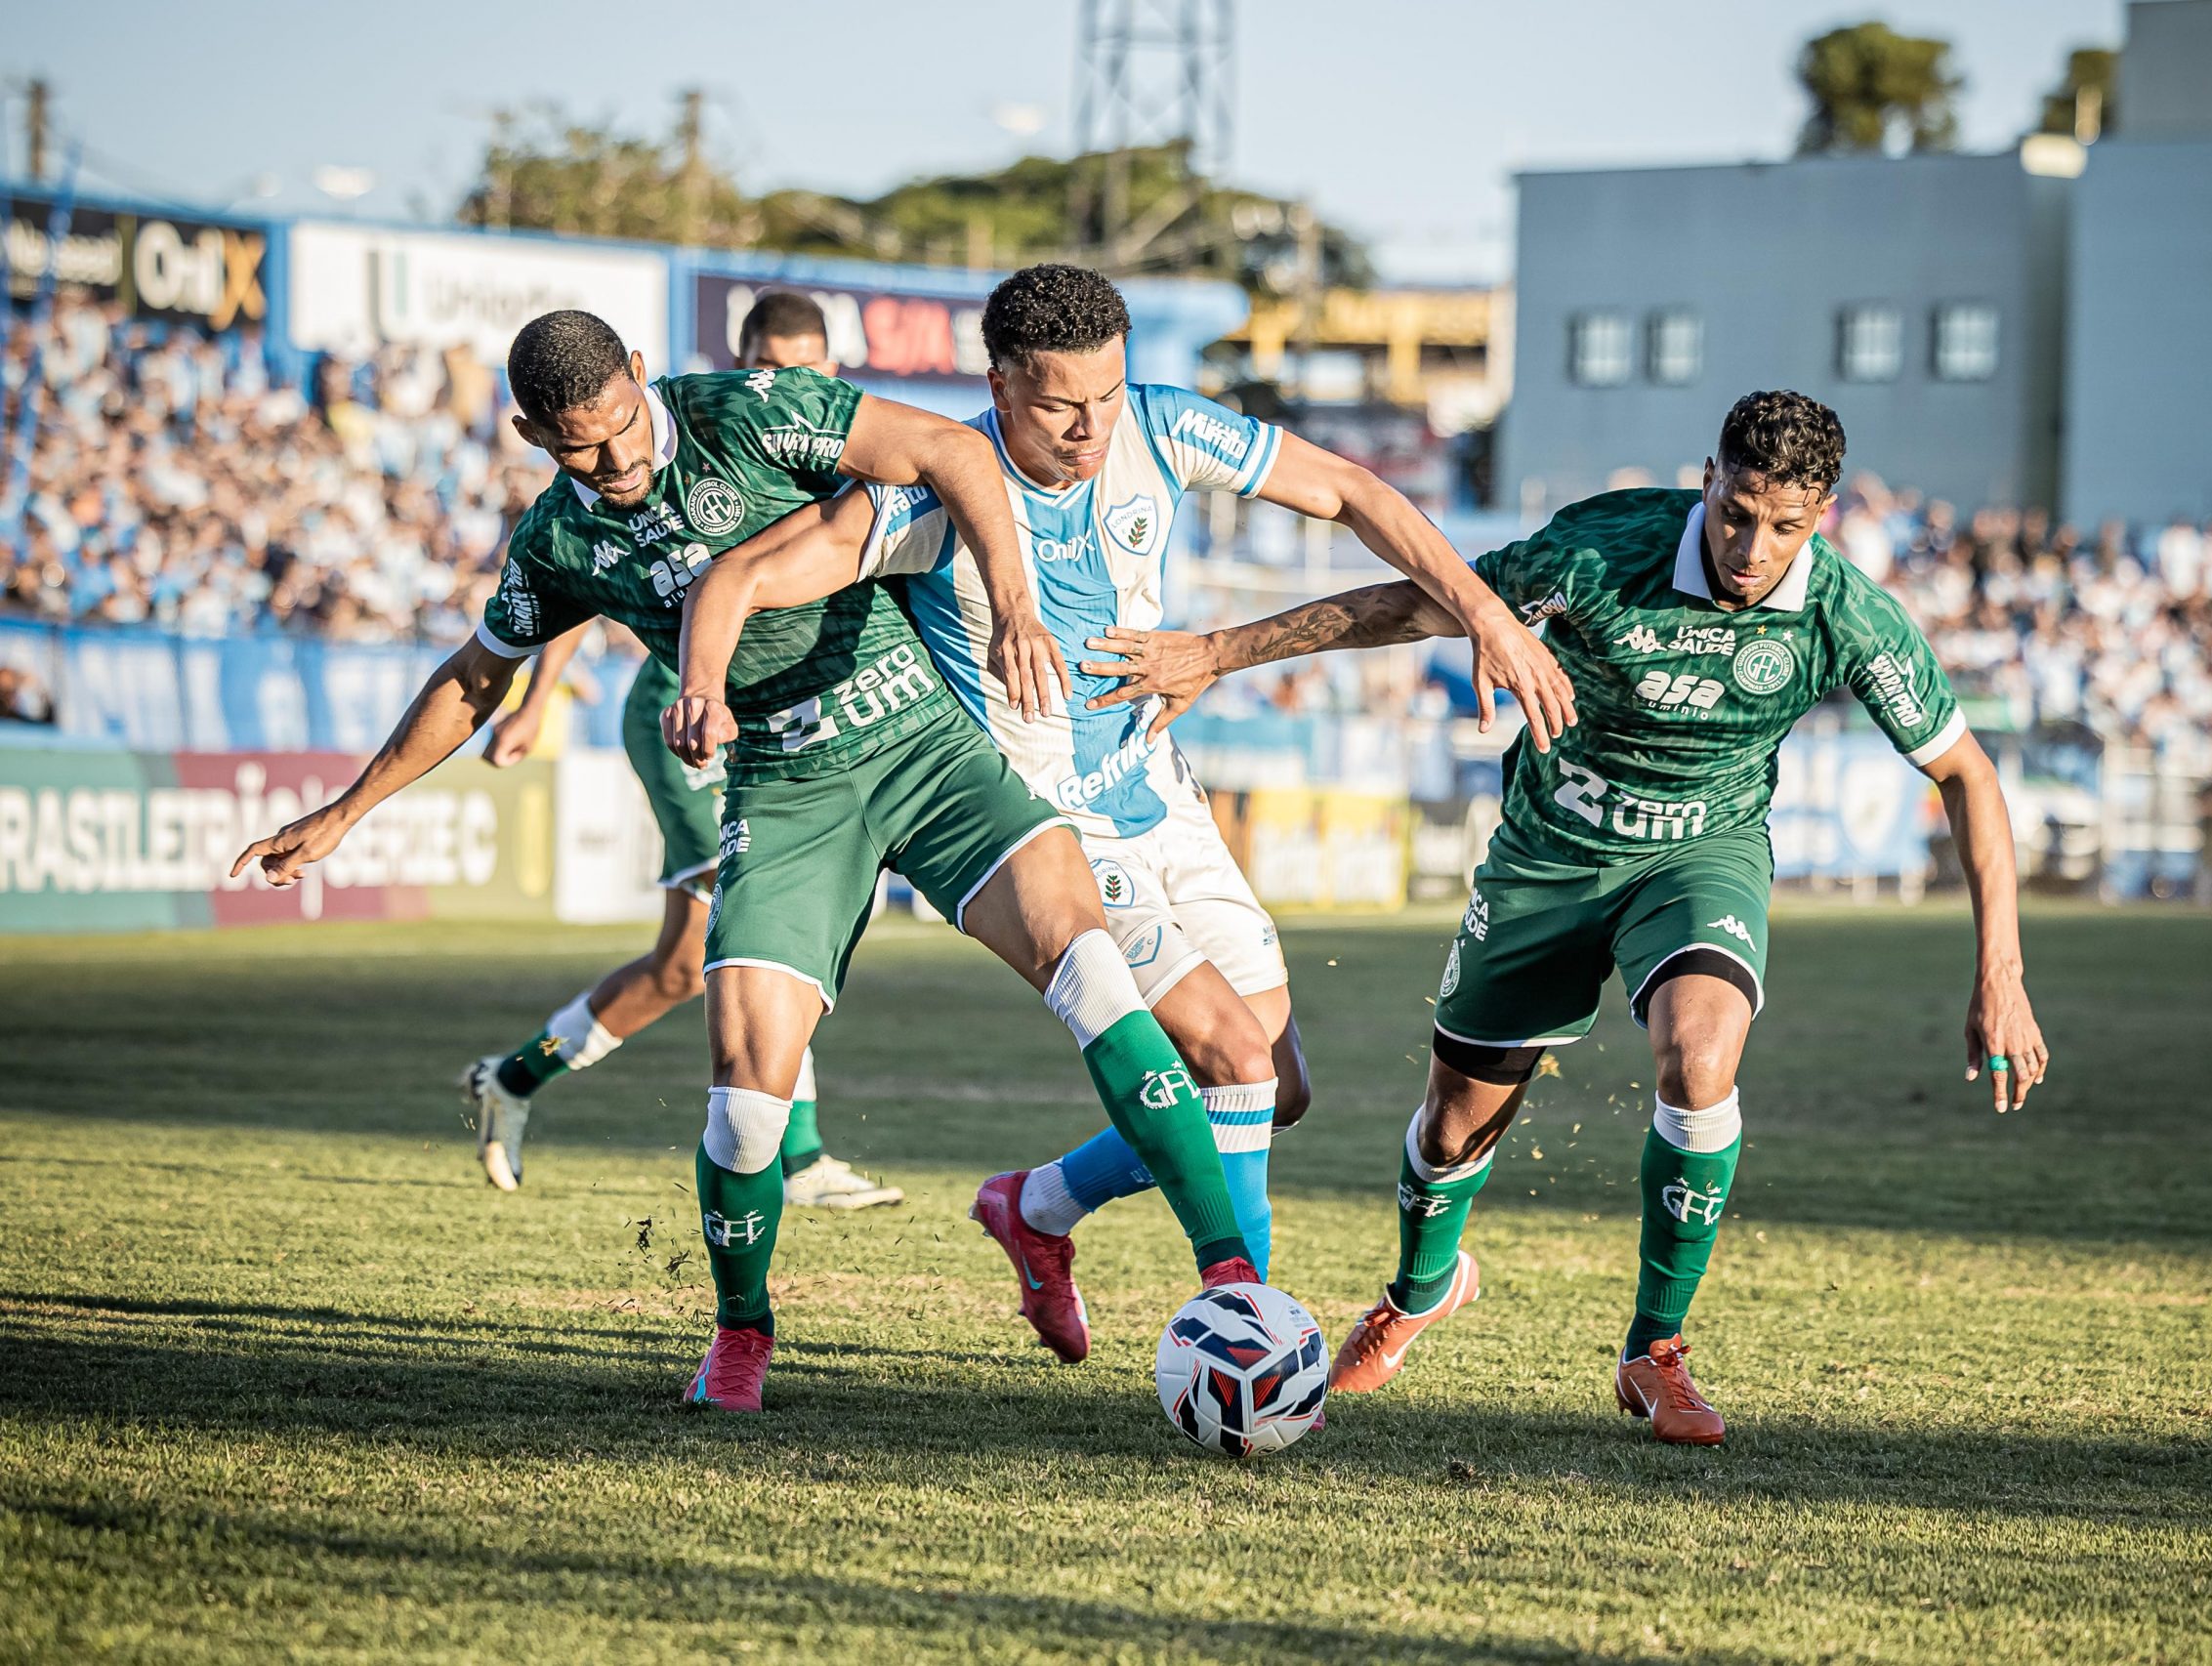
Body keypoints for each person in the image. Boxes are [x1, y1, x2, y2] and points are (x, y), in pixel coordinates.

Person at [233, 309, 1260, 1414]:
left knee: (1096, 977)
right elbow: (475, 676)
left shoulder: (749, 410)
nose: (616, 460)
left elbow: (954, 451)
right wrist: (346, 812)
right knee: (743, 1103)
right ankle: (741, 1331)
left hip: (925, 744)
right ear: (532, 435)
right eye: (580, 447)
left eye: (624, 425)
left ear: (640, 374)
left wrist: (1015, 605)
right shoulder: (555, 542)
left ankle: (1234, 1286)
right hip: (784, 790)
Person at [1084, 390, 2051, 1443]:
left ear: (1820, 515)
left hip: (1700, 857)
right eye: (1735, 513)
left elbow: (1966, 772)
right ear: (1709, 481)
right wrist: (1217, 649)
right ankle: (1418, 1292)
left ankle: (1654, 1349)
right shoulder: (1602, 549)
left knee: (1700, 1058)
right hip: (1547, 857)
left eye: (1782, 526)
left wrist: (2000, 973)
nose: (1750, 548)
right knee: (1452, 1127)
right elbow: (1417, 606)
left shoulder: (1846, 615)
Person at [666, 263, 1573, 1364]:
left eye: (1107, 392)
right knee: (1232, 1058)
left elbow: (1352, 493)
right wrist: (704, 685)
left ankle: (1036, 1206)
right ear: (999, 386)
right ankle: (1251, 1348)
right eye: (1060, 404)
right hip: (1050, 832)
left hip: (1159, 792)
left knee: (1275, 1088)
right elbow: (749, 574)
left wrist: (1485, 615)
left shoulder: (1161, 426)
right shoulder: (932, 495)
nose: (1092, 426)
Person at [462, 291, 897, 1211]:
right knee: (756, 931)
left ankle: (515, 1075)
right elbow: (576, 584)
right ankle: (801, 1158)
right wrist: (536, 702)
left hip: (774, 718)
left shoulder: (818, 444)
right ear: (745, 360)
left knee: (677, 968)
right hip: (681, 722)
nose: (793, 383)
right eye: (774, 365)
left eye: (810, 370)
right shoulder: (696, 433)